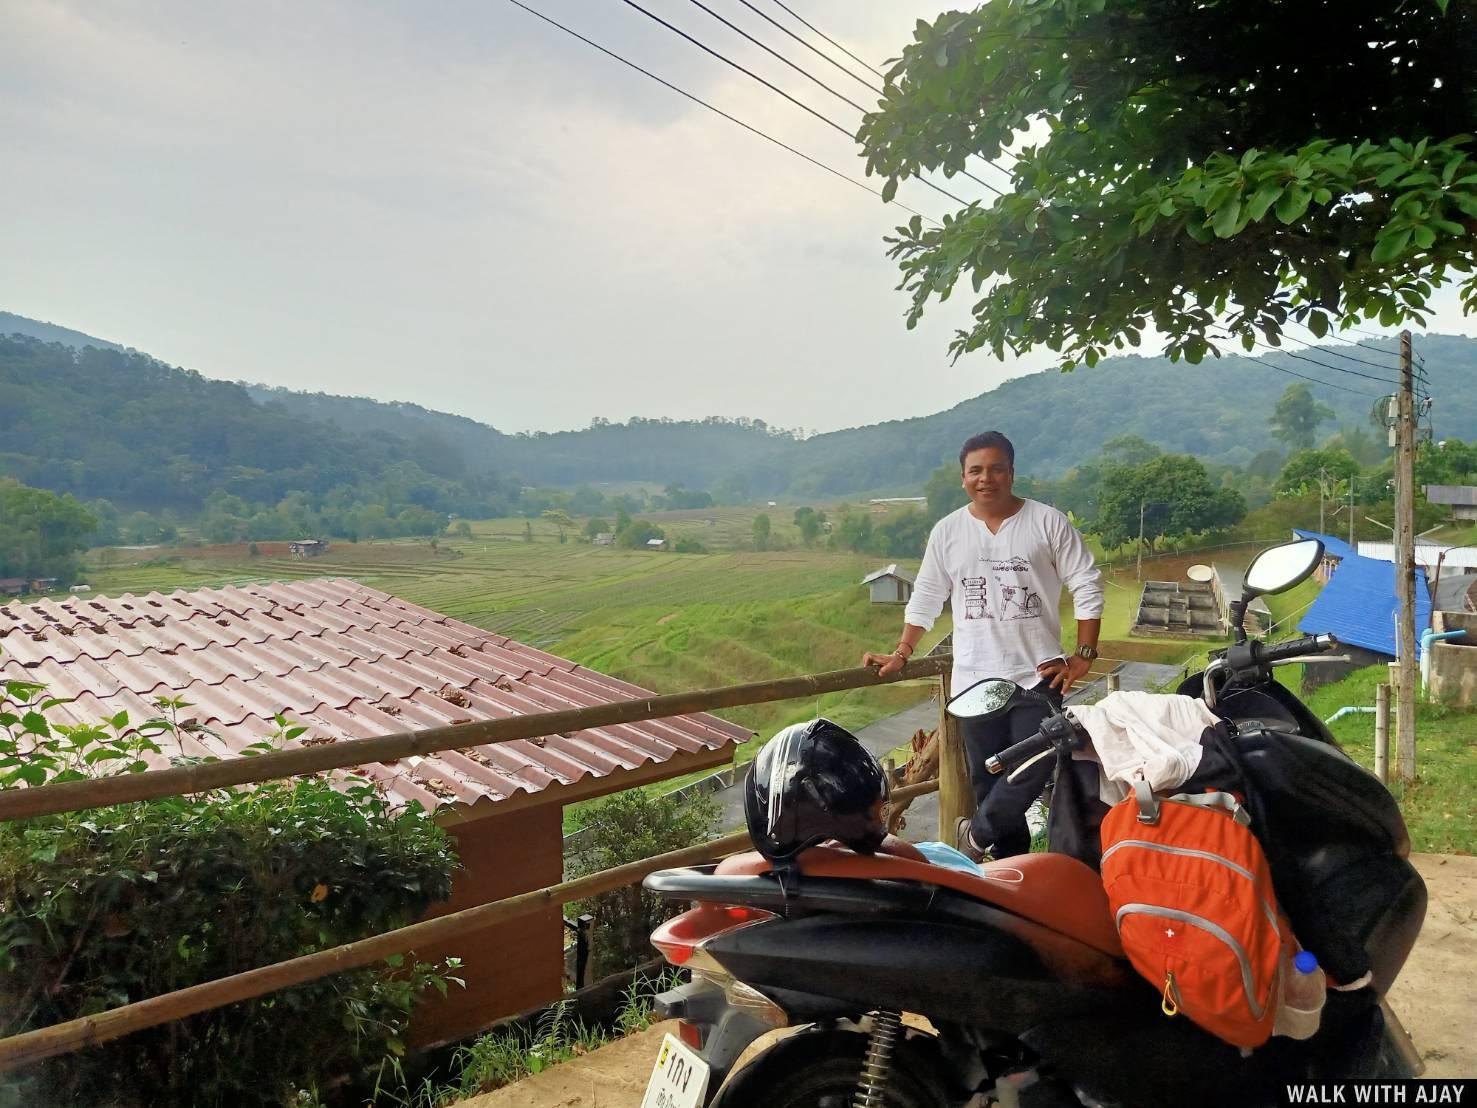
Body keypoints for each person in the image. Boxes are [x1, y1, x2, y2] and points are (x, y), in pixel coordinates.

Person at [863, 431, 1103, 861]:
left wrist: (1083, 654)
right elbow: (927, 597)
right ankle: (1012, 871)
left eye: (996, 469)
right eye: (976, 470)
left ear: (1011, 472)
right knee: (989, 784)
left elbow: (1086, 582)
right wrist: (902, 651)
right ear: (963, 477)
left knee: (1033, 765)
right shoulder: (949, 532)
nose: (985, 478)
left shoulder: (1047, 522)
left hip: (1038, 675)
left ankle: (973, 838)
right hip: (975, 681)